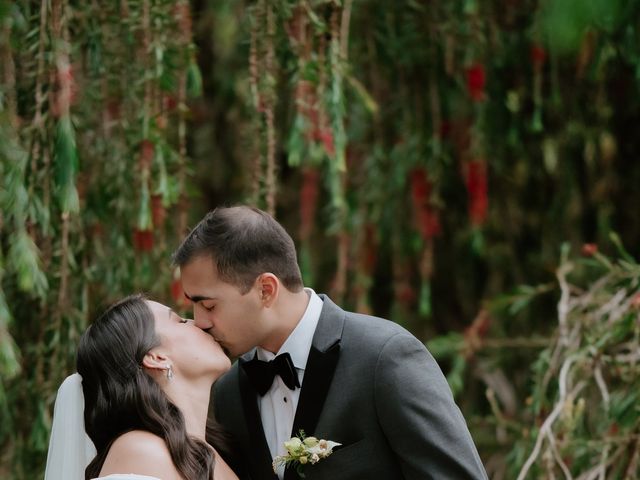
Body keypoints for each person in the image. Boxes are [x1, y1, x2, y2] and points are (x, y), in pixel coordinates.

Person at [173, 205, 488, 480]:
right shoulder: (230, 392)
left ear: (266, 290)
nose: (199, 321)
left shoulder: (384, 358)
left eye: (209, 305)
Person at [44, 294, 240, 480]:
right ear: (156, 358)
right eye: (180, 321)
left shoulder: (216, 452)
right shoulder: (141, 452)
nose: (198, 323)